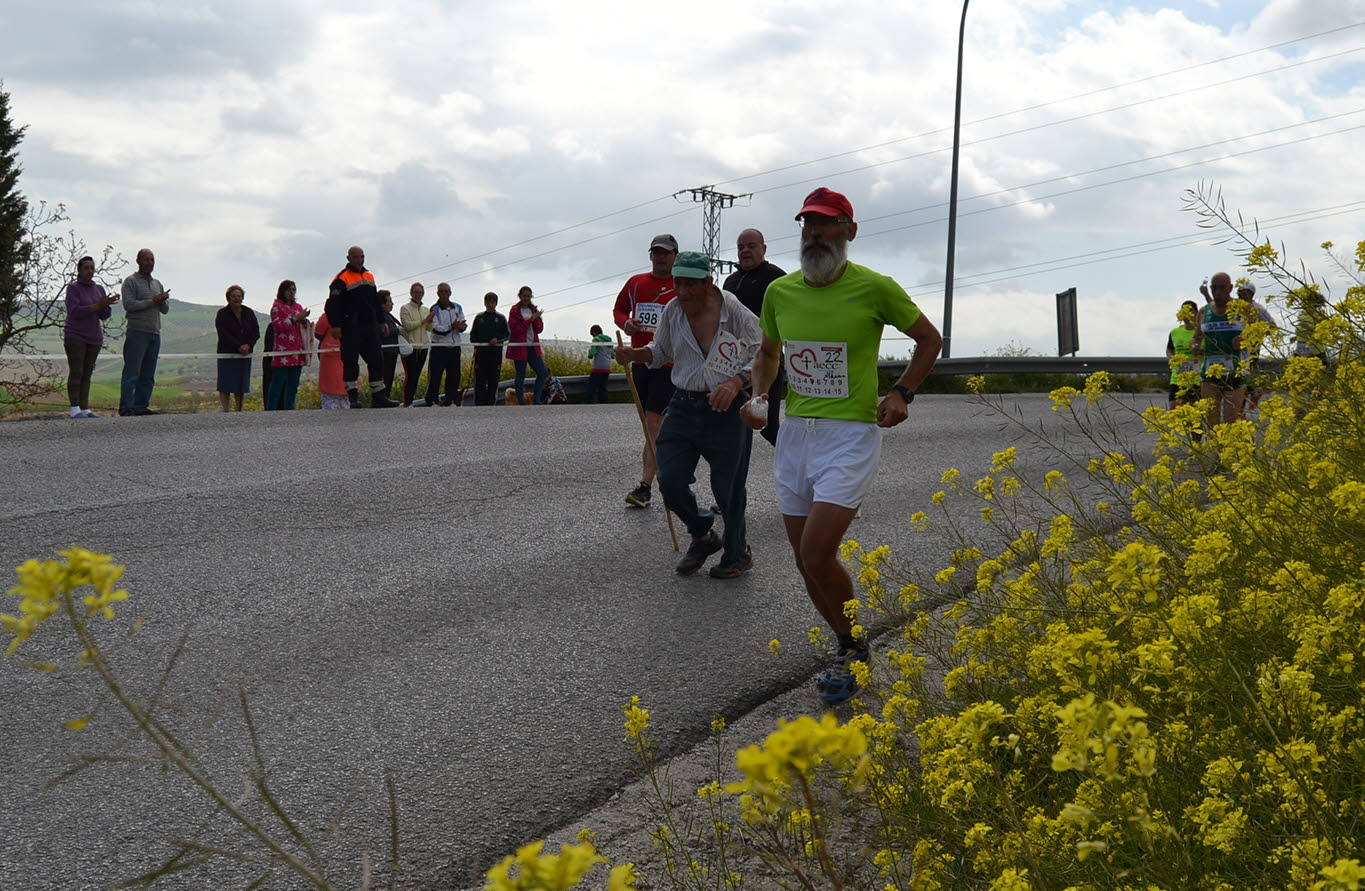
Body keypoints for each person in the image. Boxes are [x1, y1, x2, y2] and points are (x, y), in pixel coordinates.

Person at [743, 187, 942, 705]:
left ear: (849, 231)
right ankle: (847, 645)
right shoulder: (780, 293)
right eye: (808, 223)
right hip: (795, 435)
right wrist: (760, 392)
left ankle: (854, 647)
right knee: (801, 559)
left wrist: (902, 392)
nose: (815, 232)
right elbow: (768, 351)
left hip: (849, 436)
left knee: (817, 550)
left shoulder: (875, 288)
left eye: (828, 223)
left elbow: (929, 339)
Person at [615, 251, 761, 578]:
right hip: (683, 402)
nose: (681, 290)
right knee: (670, 480)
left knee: (729, 489)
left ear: (708, 282)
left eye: (689, 283)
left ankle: (737, 554)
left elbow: (762, 348)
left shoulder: (731, 308)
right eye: (677, 282)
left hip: (726, 410)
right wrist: (636, 353)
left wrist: (737, 381)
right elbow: (660, 350)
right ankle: (702, 533)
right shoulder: (673, 310)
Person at [613, 234, 678, 506]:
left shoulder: (682, 285)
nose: (660, 257)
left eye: (666, 253)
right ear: (650, 255)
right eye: (656, 253)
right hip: (640, 363)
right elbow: (618, 310)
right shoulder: (636, 283)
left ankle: (645, 486)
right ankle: (668, 465)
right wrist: (626, 323)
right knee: (652, 425)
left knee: (653, 422)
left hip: (668, 364)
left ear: (675, 255)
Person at [723, 228, 787, 445]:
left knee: (768, 425)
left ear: (764, 249)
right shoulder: (730, 282)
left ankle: (799, 464)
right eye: (741, 247)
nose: (745, 251)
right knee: (733, 423)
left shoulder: (777, 278)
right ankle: (735, 474)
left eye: (751, 246)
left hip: (768, 357)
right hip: (733, 359)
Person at [324, 245, 398, 408]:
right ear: (349, 258)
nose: (359, 260)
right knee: (351, 362)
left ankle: (379, 397)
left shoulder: (369, 275)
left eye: (362, 257)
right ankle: (353, 398)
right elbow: (332, 305)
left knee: (376, 360)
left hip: (370, 327)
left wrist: (382, 321)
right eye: (356, 257)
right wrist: (335, 325)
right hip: (351, 328)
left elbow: (375, 302)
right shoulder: (341, 279)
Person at [64, 256, 118, 418]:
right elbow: (74, 312)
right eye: (86, 268)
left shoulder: (99, 289)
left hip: (94, 337)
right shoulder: (73, 288)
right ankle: (75, 409)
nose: (89, 271)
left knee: (87, 373)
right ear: (79, 270)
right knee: (77, 371)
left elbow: (104, 316)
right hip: (75, 335)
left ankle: (85, 408)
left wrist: (106, 305)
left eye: (92, 268)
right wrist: (97, 305)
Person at [1191, 271, 1247, 429]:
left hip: (1235, 373)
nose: (1217, 292)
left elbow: (1259, 333)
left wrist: (1244, 340)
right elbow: (1196, 337)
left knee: (1230, 422)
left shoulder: (1242, 309)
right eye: (1214, 288)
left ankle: (1234, 452)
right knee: (1212, 423)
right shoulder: (1204, 311)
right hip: (1209, 373)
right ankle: (1216, 454)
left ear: (1230, 288)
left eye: (1222, 288)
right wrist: (1195, 346)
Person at [118, 248, 170, 416]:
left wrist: (162, 301)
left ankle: (141, 406)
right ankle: (126, 407)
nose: (149, 263)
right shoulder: (130, 282)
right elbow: (129, 305)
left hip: (155, 333)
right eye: (146, 259)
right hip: (137, 332)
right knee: (132, 372)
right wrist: (152, 301)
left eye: (152, 260)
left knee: (148, 375)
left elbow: (165, 310)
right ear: (138, 261)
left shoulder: (157, 284)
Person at [215, 285, 259, 412]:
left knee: (240, 385)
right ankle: (226, 411)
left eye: (239, 296)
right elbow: (223, 333)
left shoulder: (249, 312)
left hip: (245, 354)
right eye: (234, 296)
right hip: (227, 353)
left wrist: (248, 345)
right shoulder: (222, 313)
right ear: (228, 298)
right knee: (225, 384)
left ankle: (239, 411)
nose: (237, 298)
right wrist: (238, 346)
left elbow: (256, 332)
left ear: (242, 298)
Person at [267, 279, 310, 411]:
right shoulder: (276, 307)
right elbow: (278, 327)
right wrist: (295, 319)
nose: (292, 292)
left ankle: (289, 411)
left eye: (294, 290)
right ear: (282, 291)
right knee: (277, 386)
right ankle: (271, 411)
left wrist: (304, 320)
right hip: (283, 353)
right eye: (289, 289)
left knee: (293, 386)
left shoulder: (298, 307)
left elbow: (302, 327)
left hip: (297, 352)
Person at [1236, 280, 1278, 414]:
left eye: (1242, 291)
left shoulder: (1258, 308)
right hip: (1236, 346)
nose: (1239, 294)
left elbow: (1272, 326)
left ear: (1250, 293)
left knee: (1244, 375)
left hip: (1251, 347)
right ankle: (1254, 391)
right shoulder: (1234, 307)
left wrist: (1258, 335)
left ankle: (1244, 403)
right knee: (1240, 376)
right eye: (1238, 291)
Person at [424, 283, 466, 406]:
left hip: (454, 346)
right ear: (437, 293)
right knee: (435, 375)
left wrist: (462, 327)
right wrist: (452, 326)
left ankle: (450, 400)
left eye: (446, 291)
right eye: (441, 291)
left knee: (454, 375)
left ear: (450, 293)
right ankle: (431, 400)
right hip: (439, 347)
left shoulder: (458, 307)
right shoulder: (434, 309)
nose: (444, 294)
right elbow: (436, 328)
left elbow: (461, 322)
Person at [507, 286, 549, 405]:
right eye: (524, 296)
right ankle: (521, 402)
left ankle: (536, 400)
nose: (526, 298)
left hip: (532, 346)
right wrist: (530, 320)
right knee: (521, 374)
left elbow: (539, 329)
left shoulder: (533, 309)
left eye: (528, 296)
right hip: (520, 346)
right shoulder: (514, 310)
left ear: (531, 297)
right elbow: (515, 330)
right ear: (520, 296)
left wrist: (537, 319)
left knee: (542, 372)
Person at [470, 291, 510, 406]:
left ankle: (491, 406)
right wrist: (480, 343)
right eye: (488, 301)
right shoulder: (479, 317)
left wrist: (497, 340)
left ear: (496, 303)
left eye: (492, 302)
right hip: (481, 355)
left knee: (493, 382)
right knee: (479, 382)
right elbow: (472, 336)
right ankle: (478, 406)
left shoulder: (501, 318)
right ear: (484, 303)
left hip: (495, 355)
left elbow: (507, 335)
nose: (490, 304)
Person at [399, 282, 435, 407]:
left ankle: (411, 401)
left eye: (420, 292)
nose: (418, 294)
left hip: (423, 347)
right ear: (411, 293)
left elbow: (429, 328)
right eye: (415, 292)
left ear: (423, 293)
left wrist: (430, 321)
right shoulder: (405, 308)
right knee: (411, 376)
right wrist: (424, 321)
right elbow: (407, 326)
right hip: (410, 348)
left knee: (417, 376)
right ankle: (407, 402)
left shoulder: (426, 309)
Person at [1166, 300, 1199, 409]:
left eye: (1190, 310)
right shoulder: (1174, 332)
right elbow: (1169, 349)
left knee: (1194, 415)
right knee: (1174, 411)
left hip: (1196, 379)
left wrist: (1199, 351)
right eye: (1183, 310)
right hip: (1177, 378)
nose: (1186, 313)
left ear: (1196, 313)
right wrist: (1172, 358)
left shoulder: (1202, 332)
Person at [314, 311, 349, 410]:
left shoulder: (328, 315)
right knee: (346, 385)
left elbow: (318, 333)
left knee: (330, 388)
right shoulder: (352, 312)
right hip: (347, 350)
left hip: (329, 352)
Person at [378, 290, 402, 402]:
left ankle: (386, 397)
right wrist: (397, 330)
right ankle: (383, 398)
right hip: (385, 351)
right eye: (390, 301)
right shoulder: (380, 316)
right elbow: (383, 332)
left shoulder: (388, 316)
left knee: (389, 377)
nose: (392, 304)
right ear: (382, 304)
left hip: (391, 351)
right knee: (386, 377)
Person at [586, 324, 613, 403]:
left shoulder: (596, 339)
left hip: (598, 367)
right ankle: (604, 404)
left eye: (592, 335)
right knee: (602, 387)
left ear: (594, 333)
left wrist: (589, 354)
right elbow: (613, 355)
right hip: (607, 367)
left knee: (591, 386)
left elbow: (592, 354)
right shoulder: (609, 340)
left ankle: (589, 403)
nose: (592, 337)